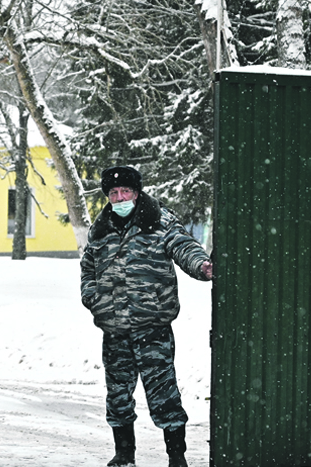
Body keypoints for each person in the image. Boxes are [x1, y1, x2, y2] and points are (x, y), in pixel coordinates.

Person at [80, 166, 212, 467]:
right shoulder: (100, 229)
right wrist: (92, 297)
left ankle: (176, 456)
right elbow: (88, 266)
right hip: (115, 329)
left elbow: (183, 245)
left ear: (137, 193)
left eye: (125, 191)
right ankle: (124, 454)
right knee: (118, 396)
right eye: (113, 193)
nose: (120, 197)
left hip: (152, 328)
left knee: (164, 395)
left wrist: (203, 266)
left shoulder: (159, 221)